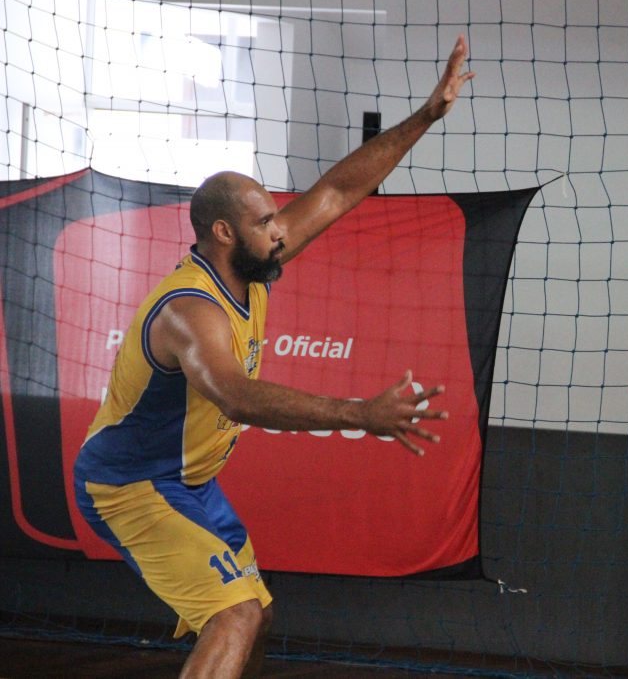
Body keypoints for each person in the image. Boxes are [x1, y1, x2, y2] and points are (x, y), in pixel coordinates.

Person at [73, 35, 474, 679]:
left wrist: (427, 115)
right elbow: (234, 395)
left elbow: (341, 191)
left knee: (257, 611)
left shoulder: (257, 264)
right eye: (265, 220)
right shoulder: (190, 311)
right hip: (131, 485)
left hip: (188, 485)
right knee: (231, 617)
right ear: (225, 233)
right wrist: (362, 413)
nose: (280, 227)